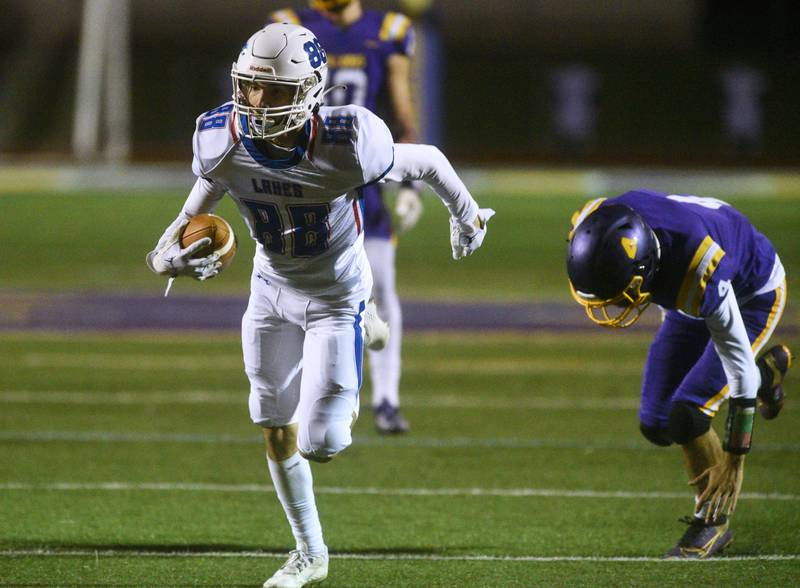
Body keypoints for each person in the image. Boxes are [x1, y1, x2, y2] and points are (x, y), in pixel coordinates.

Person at [146, 23, 493, 588]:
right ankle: (310, 552)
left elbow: (427, 160)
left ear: (308, 91)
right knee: (272, 421)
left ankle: (364, 324)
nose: (256, 102)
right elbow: (177, 233)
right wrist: (170, 261)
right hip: (269, 287)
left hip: (336, 295)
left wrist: (468, 214)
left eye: (274, 90)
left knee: (322, 443)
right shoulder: (219, 137)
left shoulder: (348, 139)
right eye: (249, 86)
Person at [566, 189, 791, 559]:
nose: (616, 305)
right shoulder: (592, 218)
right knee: (656, 423)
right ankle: (768, 374)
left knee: (687, 414)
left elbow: (737, 370)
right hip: (688, 297)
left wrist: (736, 457)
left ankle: (713, 522)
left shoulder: (702, 268)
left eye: (620, 295)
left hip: (750, 296)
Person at [269, 0, 422, 433]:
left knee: (383, 288)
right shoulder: (291, 25)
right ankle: (304, 401)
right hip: (306, 178)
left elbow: (402, 112)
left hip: (359, 177)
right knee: (297, 292)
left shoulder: (388, 29)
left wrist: (408, 184)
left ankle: (387, 399)